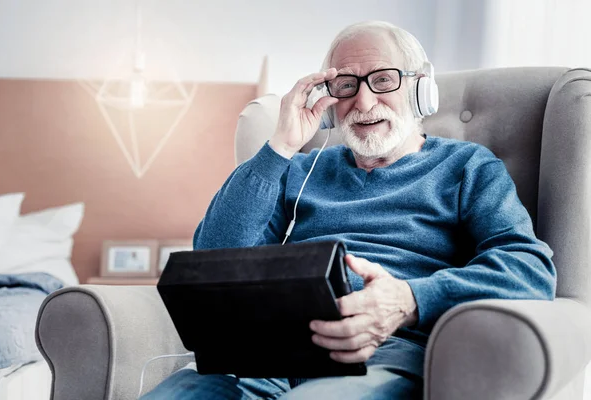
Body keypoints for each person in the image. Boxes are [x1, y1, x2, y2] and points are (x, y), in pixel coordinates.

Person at [142, 20, 556, 399]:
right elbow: (213, 258)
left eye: (382, 80)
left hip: (383, 354)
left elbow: (529, 269)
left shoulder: (467, 166)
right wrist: (280, 147)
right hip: (265, 357)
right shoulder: (298, 169)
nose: (363, 100)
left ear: (420, 89)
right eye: (346, 85)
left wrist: (409, 299)